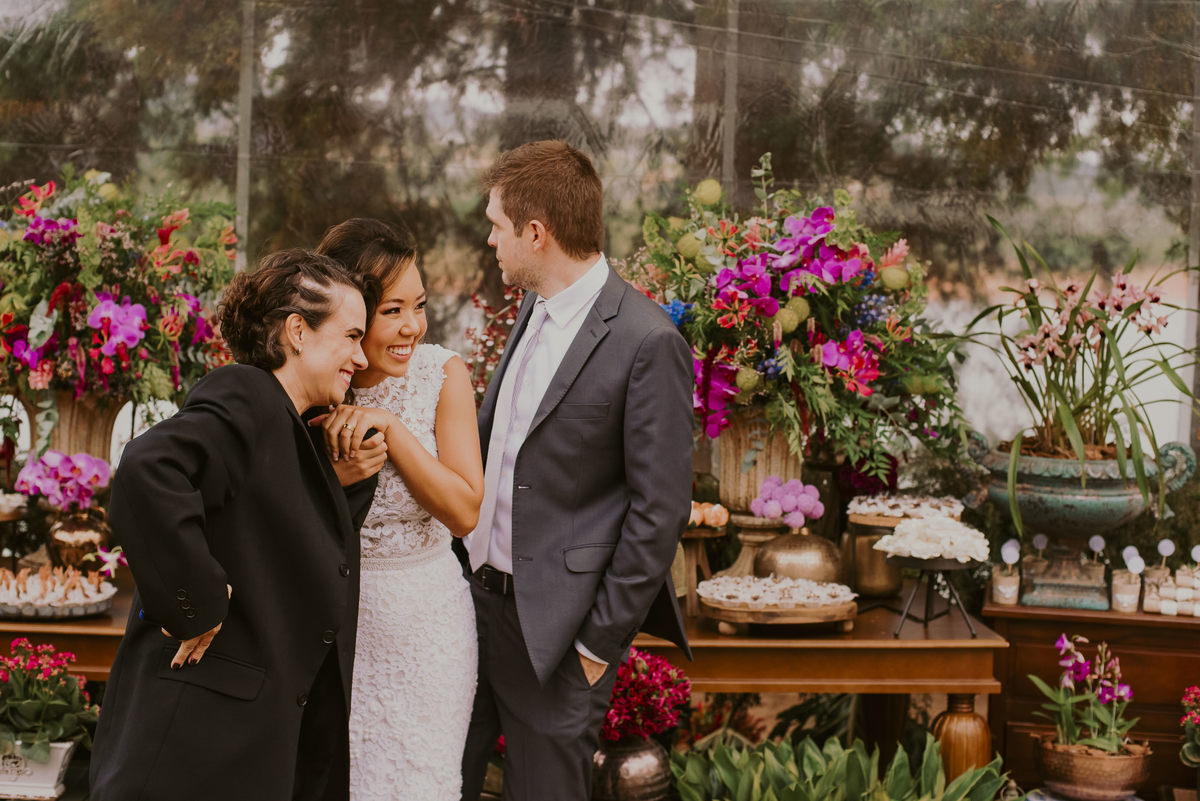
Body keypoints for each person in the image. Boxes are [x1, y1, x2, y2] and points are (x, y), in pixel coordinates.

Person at [89, 249, 381, 801]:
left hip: (246, 746)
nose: (361, 357)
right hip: (194, 742)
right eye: (350, 336)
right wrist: (197, 600)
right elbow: (147, 468)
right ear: (298, 332)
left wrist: (339, 478)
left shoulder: (292, 428)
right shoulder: (247, 392)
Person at [458, 140, 694, 801]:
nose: (490, 239)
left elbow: (660, 511)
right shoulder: (532, 305)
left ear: (537, 233)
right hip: (472, 609)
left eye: (498, 225)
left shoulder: (649, 341)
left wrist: (595, 646)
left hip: (558, 641)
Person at [313, 218, 484, 801]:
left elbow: (464, 511)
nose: (413, 325)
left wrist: (392, 429)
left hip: (428, 631)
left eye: (420, 305)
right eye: (393, 311)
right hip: (335, 631)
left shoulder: (442, 375)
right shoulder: (313, 382)